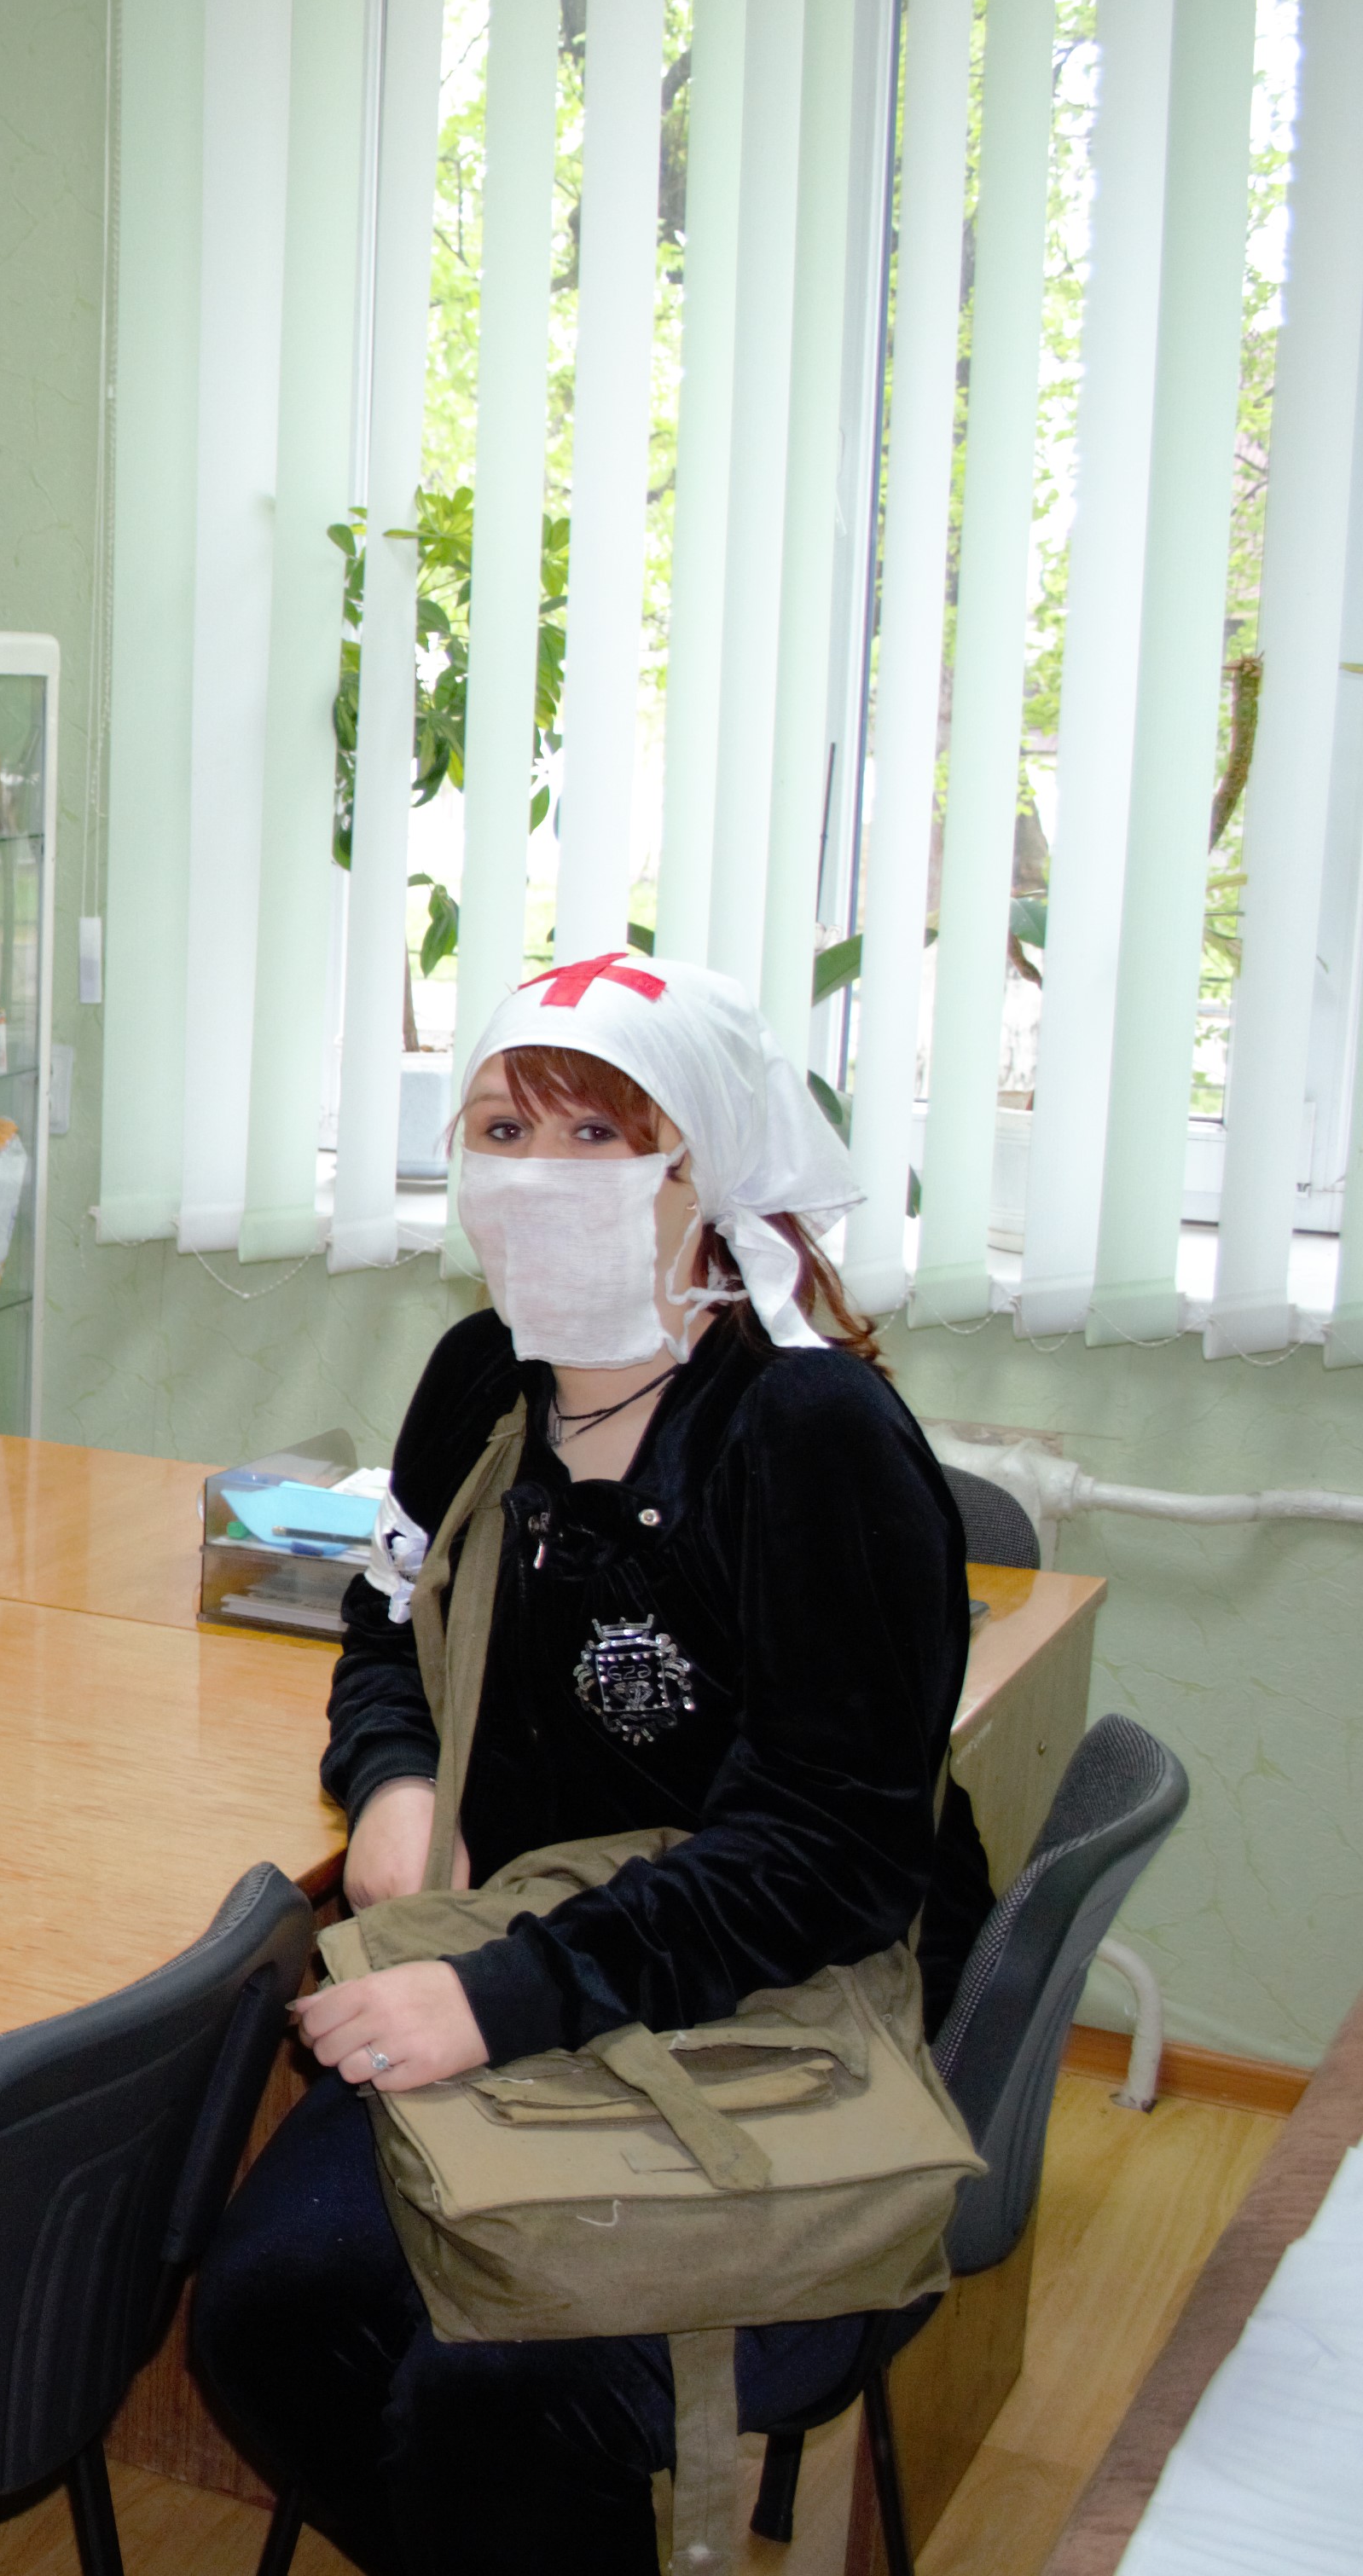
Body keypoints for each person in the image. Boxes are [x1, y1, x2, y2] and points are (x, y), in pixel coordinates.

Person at [185, 952, 995, 2573]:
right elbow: (386, 1625)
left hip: (765, 2005)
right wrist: (398, 1775)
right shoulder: (478, 1378)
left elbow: (830, 1853)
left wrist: (499, 1997)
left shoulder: (805, 1432)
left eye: (598, 1138)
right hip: (518, 1965)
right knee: (264, 2321)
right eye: (501, 1131)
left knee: (500, 2395)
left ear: (705, 1173)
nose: (537, 1177)